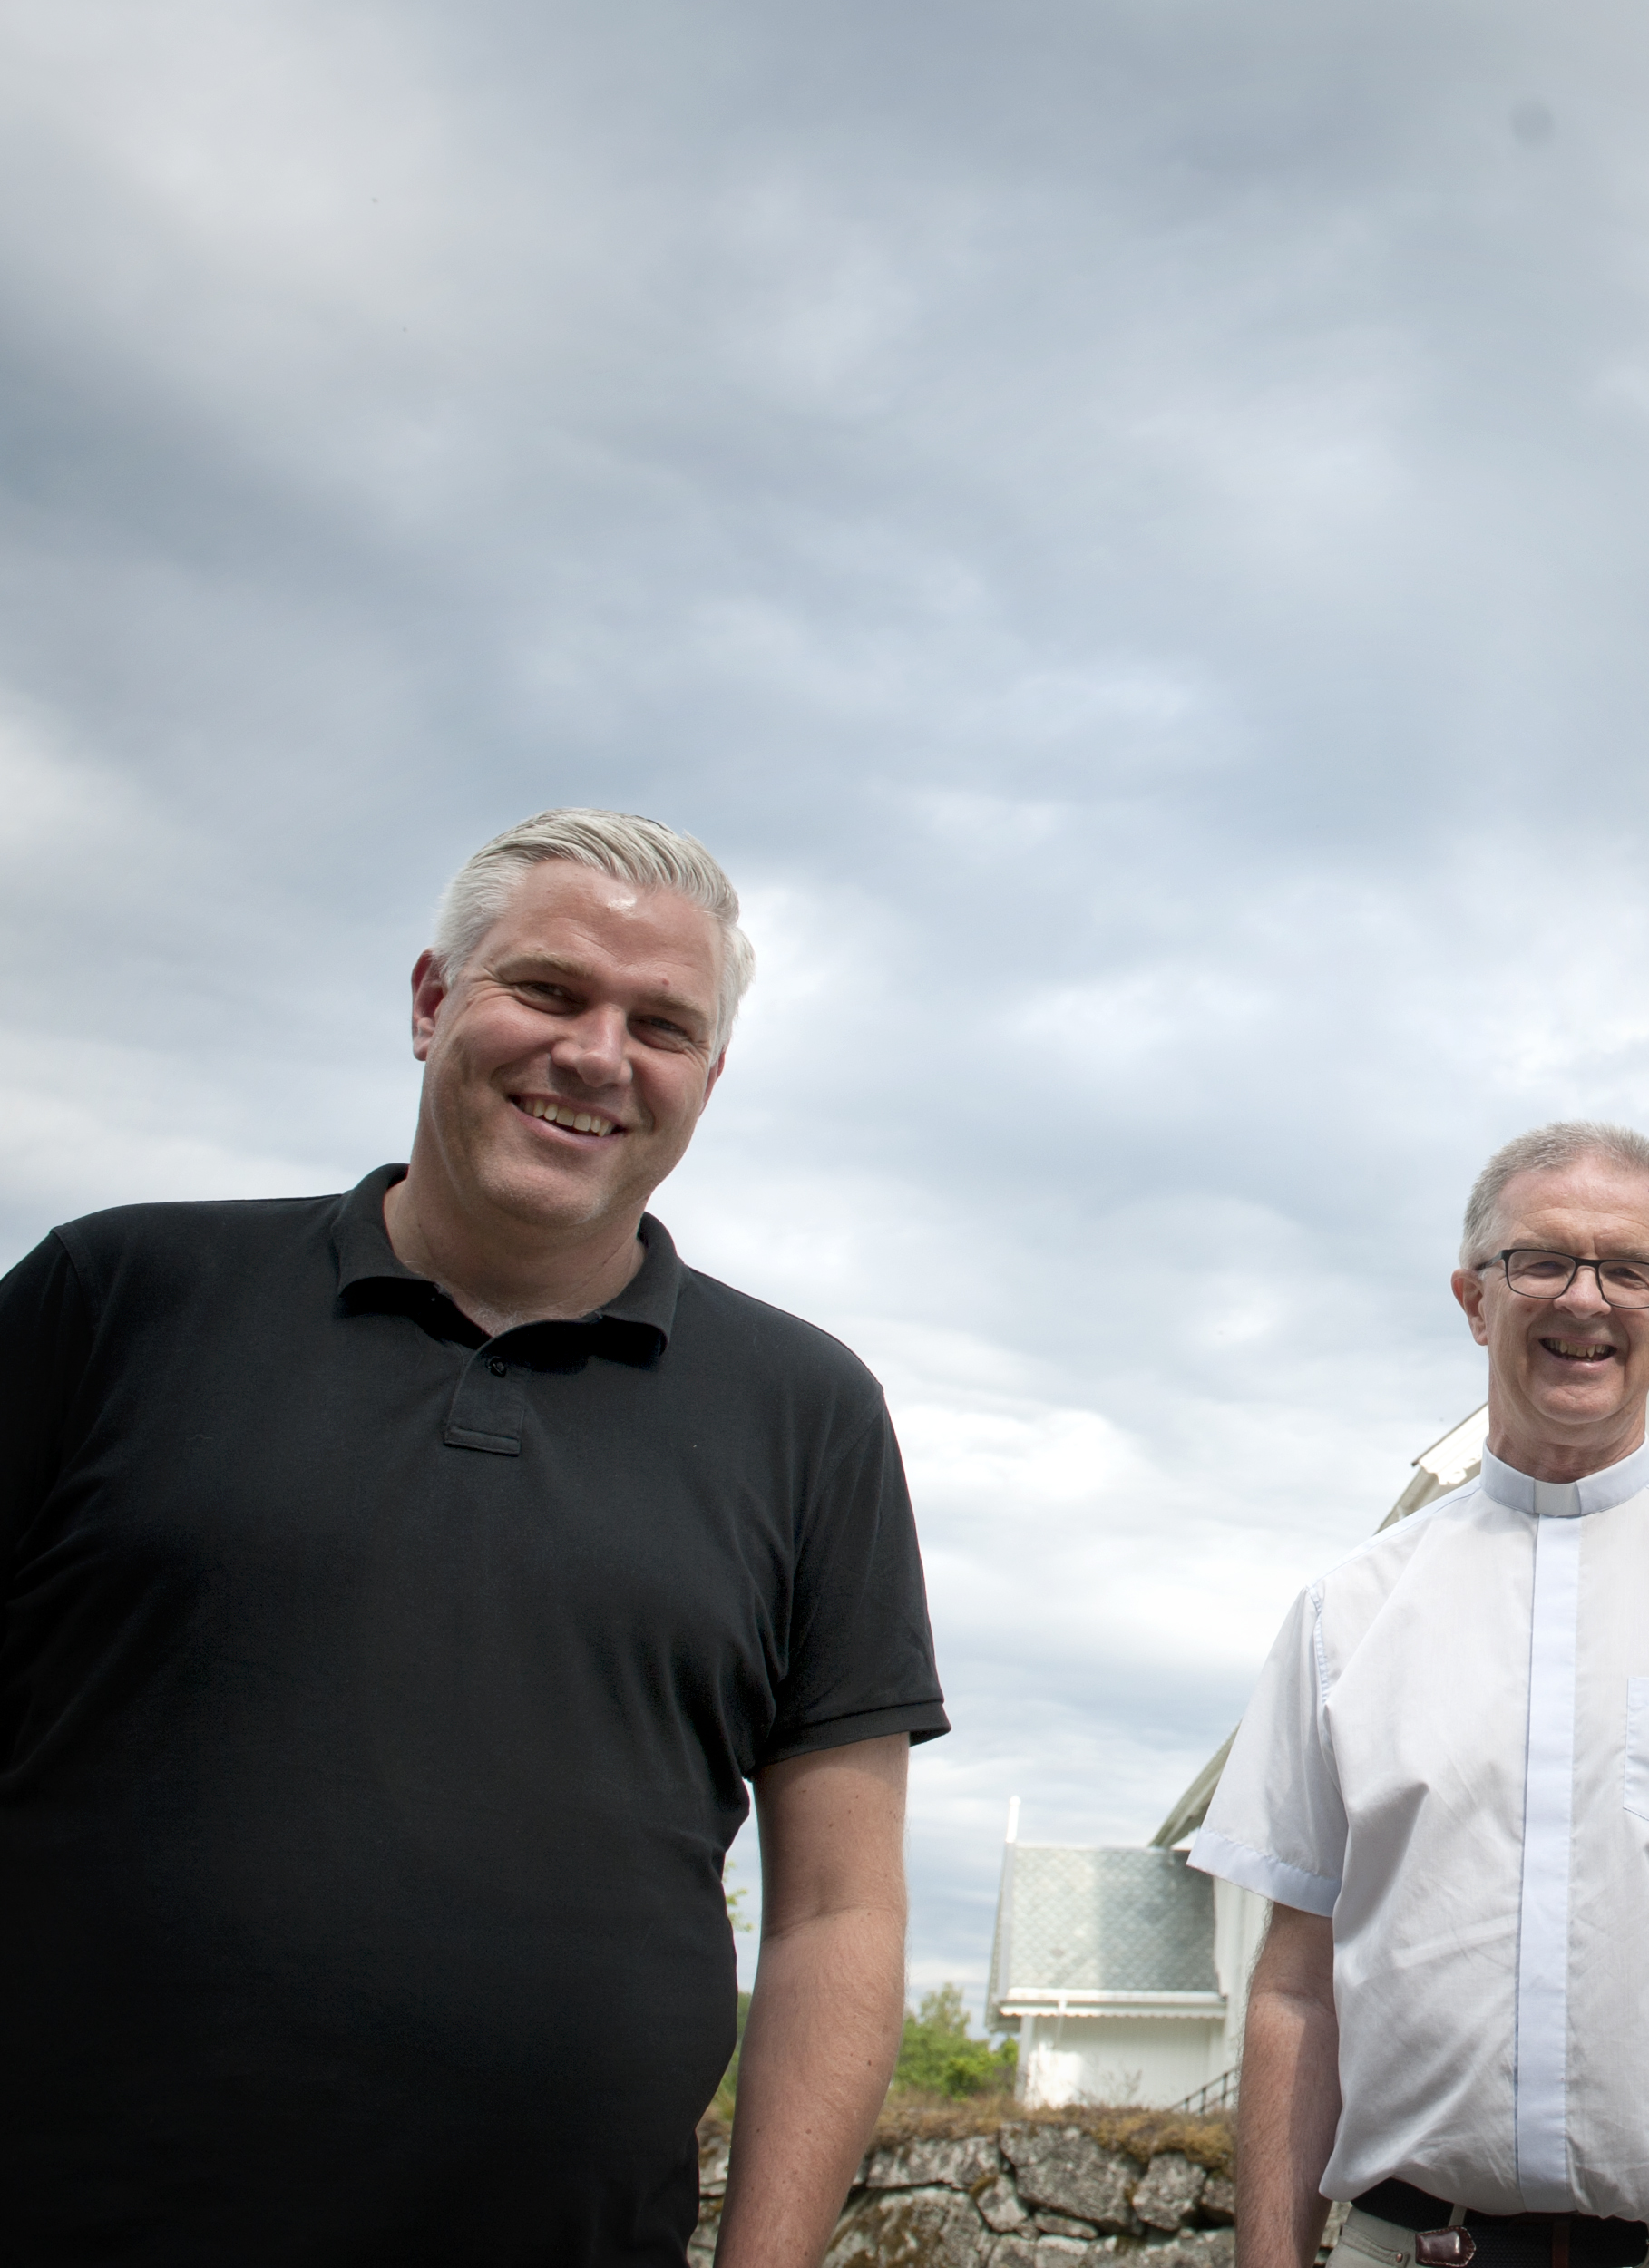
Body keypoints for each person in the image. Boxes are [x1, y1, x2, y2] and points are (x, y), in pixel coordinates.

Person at [0, 810, 948, 2267]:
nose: (596, 1054)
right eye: (549, 990)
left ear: (707, 1076)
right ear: (434, 999)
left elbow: (835, 1908)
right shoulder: (119, 1294)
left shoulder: (809, 1412)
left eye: (662, 1023)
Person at [1191, 1122, 1649, 2268]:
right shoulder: (1345, 1617)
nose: (1588, 1298)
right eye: (1543, 1261)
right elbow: (1297, 1983)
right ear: (1474, 1301)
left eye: (1630, 1269)